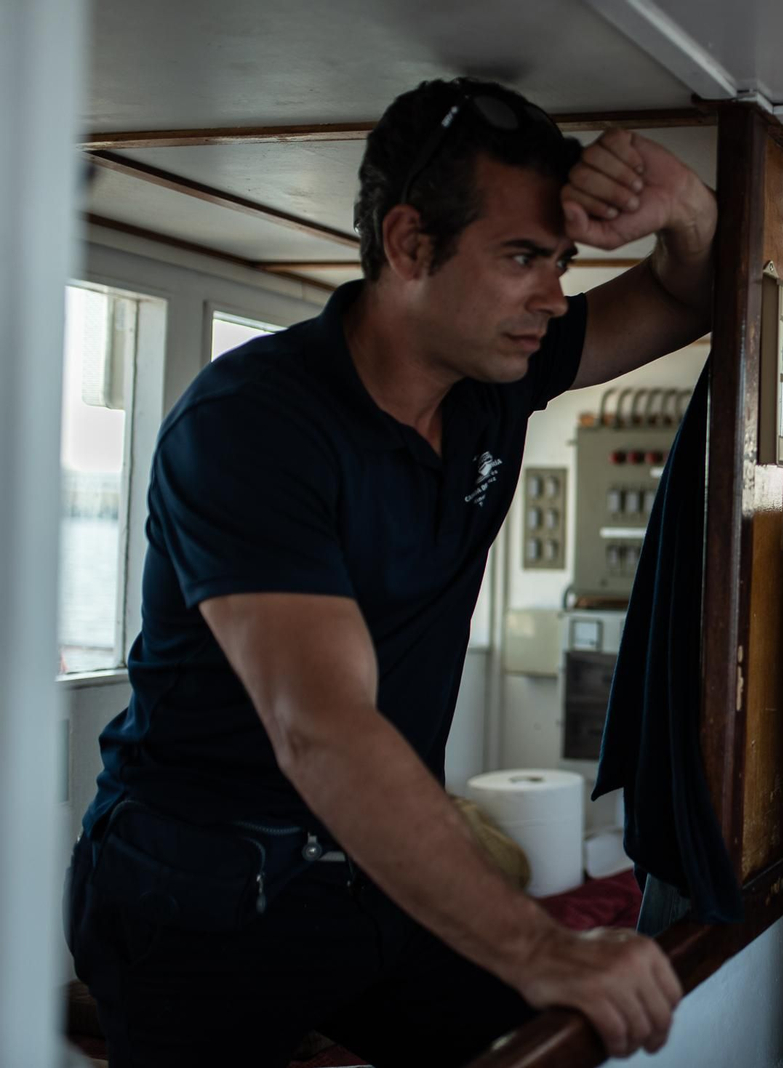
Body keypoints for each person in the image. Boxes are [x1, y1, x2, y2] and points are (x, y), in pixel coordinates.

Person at [66, 76, 715, 1067]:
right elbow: (320, 727)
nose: (554, 295)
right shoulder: (251, 423)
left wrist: (682, 200)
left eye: (563, 262)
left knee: (542, 1046)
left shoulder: (498, 376)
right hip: (199, 894)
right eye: (522, 259)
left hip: (364, 876)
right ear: (410, 245)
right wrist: (544, 946)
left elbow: (693, 287)